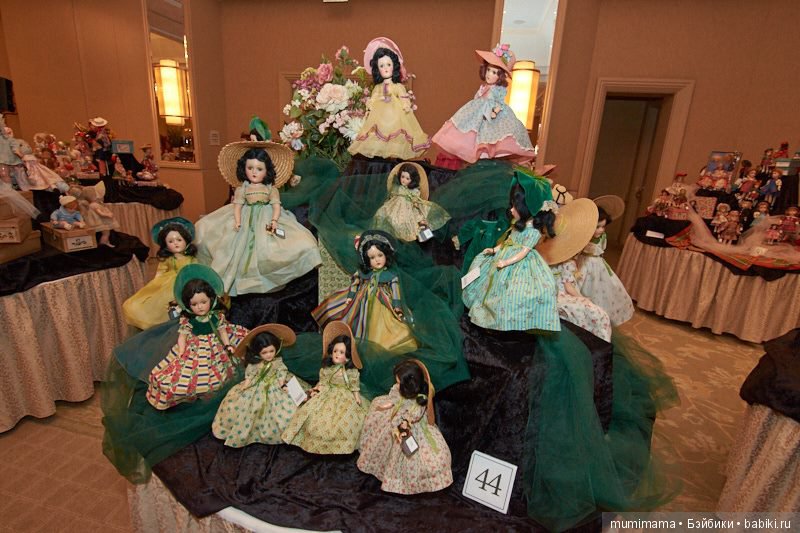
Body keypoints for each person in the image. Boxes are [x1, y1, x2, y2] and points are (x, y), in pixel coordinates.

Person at [195, 141, 322, 296]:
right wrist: (237, 221)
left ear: (267, 170)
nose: (254, 172)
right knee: (234, 248)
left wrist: (274, 221)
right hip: (244, 217)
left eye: (259, 169)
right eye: (250, 168)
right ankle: (241, 281)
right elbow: (237, 206)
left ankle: (267, 280)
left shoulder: (270, 189)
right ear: (243, 168)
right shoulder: (243, 188)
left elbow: (276, 206)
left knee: (275, 247)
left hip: (266, 217)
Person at [462, 170, 560, 332]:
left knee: (511, 291)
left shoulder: (533, 232)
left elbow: (523, 252)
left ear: (528, 208)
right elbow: (508, 242)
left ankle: (506, 322)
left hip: (519, 264)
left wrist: (506, 262)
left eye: (516, 207)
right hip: (503, 256)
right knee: (485, 278)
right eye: (512, 205)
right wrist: (494, 249)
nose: (512, 210)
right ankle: (485, 314)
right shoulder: (518, 225)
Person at [146, 265, 248, 410]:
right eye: (194, 304)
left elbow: (223, 332)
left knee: (222, 370)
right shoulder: (188, 320)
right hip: (196, 347)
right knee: (191, 373)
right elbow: (182, 336)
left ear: (211, 299)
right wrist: (181, 351)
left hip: (216, 345)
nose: (200, 307)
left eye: (203, 302)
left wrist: (227, 345)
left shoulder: (217, 316)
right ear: (188, 305)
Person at [312, 229, 418, 354]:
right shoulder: (363, 274)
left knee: (386, 325)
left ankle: (382, 345)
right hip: (362, 301)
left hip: (383, 302)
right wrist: (350, 297)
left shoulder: (391, 276)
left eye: (380, 255)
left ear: (386, 255)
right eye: (372, 257)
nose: (377, 260)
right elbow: (355, 284)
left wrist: (397, 306)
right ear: (367, 260)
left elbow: (395, 291)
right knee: (351, 317)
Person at [357, 359, 452, 494]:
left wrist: (406, 422)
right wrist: (386, 405)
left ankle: (406, 480)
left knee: (413, 453)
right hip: (396, 415)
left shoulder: (420, 400)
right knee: (381, 436)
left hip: (412, 424)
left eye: (399, 382)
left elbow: (416, 415)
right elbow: (394, 400)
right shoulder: (399, 389)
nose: (397, 384)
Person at [432, 44, 534, 164]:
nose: (489, 74)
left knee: (492, 136)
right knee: (469, 130)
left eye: (494, 72)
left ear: (500, 77)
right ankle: (479, 154)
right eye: (489, 70)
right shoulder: (484, 87)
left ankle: (486, 155)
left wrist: (495, 111)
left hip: (491, 114)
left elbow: (499, 103)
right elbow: (477, 98)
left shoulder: (497, 90)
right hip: (478, 112)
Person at [212, 324, 309, 447]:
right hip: (257, 386)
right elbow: (249, 375)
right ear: (257, 352)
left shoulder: (277, 361)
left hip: (275, 385)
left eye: (271, 351)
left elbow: (281, 372)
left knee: (288, 410)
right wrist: (246, 385)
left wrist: (282, 384)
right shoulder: (254, 364)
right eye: (264, 352)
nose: (269, 355)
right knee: (247, 408)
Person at [281, 321, 367, 454]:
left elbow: (354, 386)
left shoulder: (351, 372)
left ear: (348, 357)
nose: (337, 354)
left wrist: (356, 397)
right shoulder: (327, 369)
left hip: (345, 396)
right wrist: (316, 389)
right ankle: (314, 442)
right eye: (335, 351)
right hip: (327, 393)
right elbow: (323, 382)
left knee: (347, 420)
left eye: (342, 352)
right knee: (315, 416)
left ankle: (341, 445)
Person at [347, 37, 430, 159]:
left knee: (396, 136)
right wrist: (370, 103)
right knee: (378, 135)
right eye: (381, 65)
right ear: (377, 69)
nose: (385, 68)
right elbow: (374, 98)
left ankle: (393, 157)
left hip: (396, 117)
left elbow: (403, 97)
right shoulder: (378, 87)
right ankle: (382, 157)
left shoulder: (397, 86)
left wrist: (405, 104)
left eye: (388, 64)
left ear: (394, 66)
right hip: (379, 117)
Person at [122, 217, 198, 330]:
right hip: (166, 284)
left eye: (179, 239)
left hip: (185, 283)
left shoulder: (191, 258)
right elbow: (160, 271)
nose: (175, 243)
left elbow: (196, 271)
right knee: (153, 301)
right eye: (170, 241)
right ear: (165, 245)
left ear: (186, 240)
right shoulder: (168, 259)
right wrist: (155, 284)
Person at [577, 206, 635, 326]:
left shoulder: (603, 237)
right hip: (584, 264)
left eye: (603, 227)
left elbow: (602, 249)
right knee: (582, 287)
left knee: (604, 290)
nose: (600, 230)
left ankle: (600, 317)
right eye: (597, 227)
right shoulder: (584, 237)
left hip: (598, 265)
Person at [372, 162, 450, 242]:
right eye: (402, 177)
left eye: (407, 178)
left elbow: (416, 199)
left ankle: (422, 237)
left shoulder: (414, 191)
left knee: (416, 221)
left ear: (412, 179)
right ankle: (386, 233)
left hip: (408, 208)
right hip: (394, 205)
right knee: (382, 213)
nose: (404, 180)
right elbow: (391, 195)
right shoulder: (397, 187)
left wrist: (415, 202)